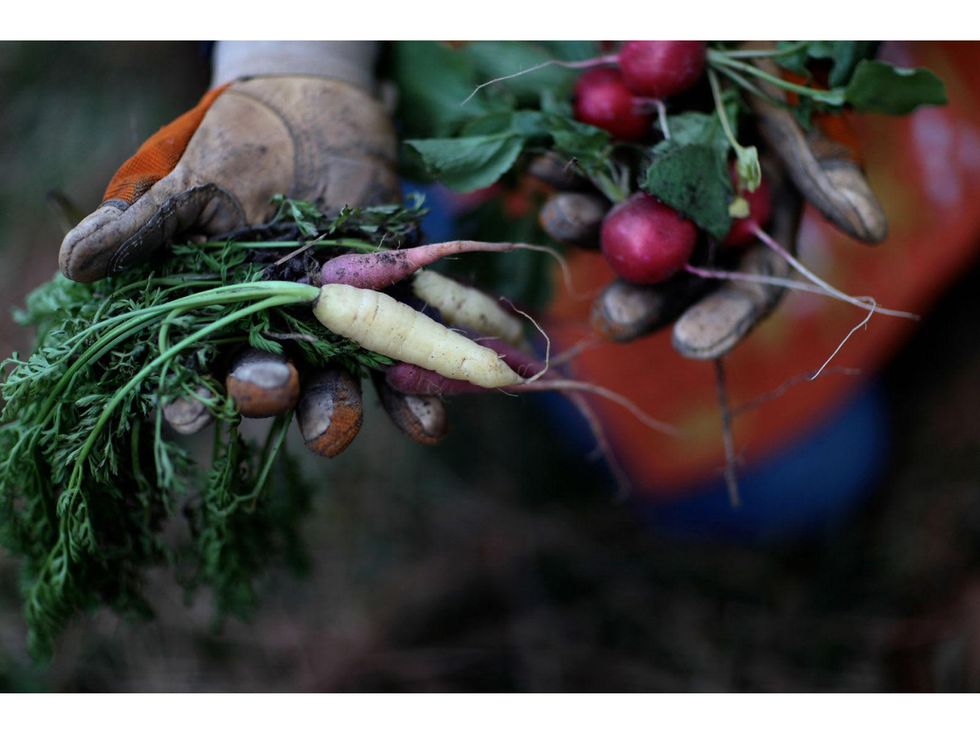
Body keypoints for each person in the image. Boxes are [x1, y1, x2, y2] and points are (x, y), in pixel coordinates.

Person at [59, 41, 980, 540]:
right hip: (529, 101)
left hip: (797, 77)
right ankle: (529, 336)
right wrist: (310, 61)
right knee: (809, 480)